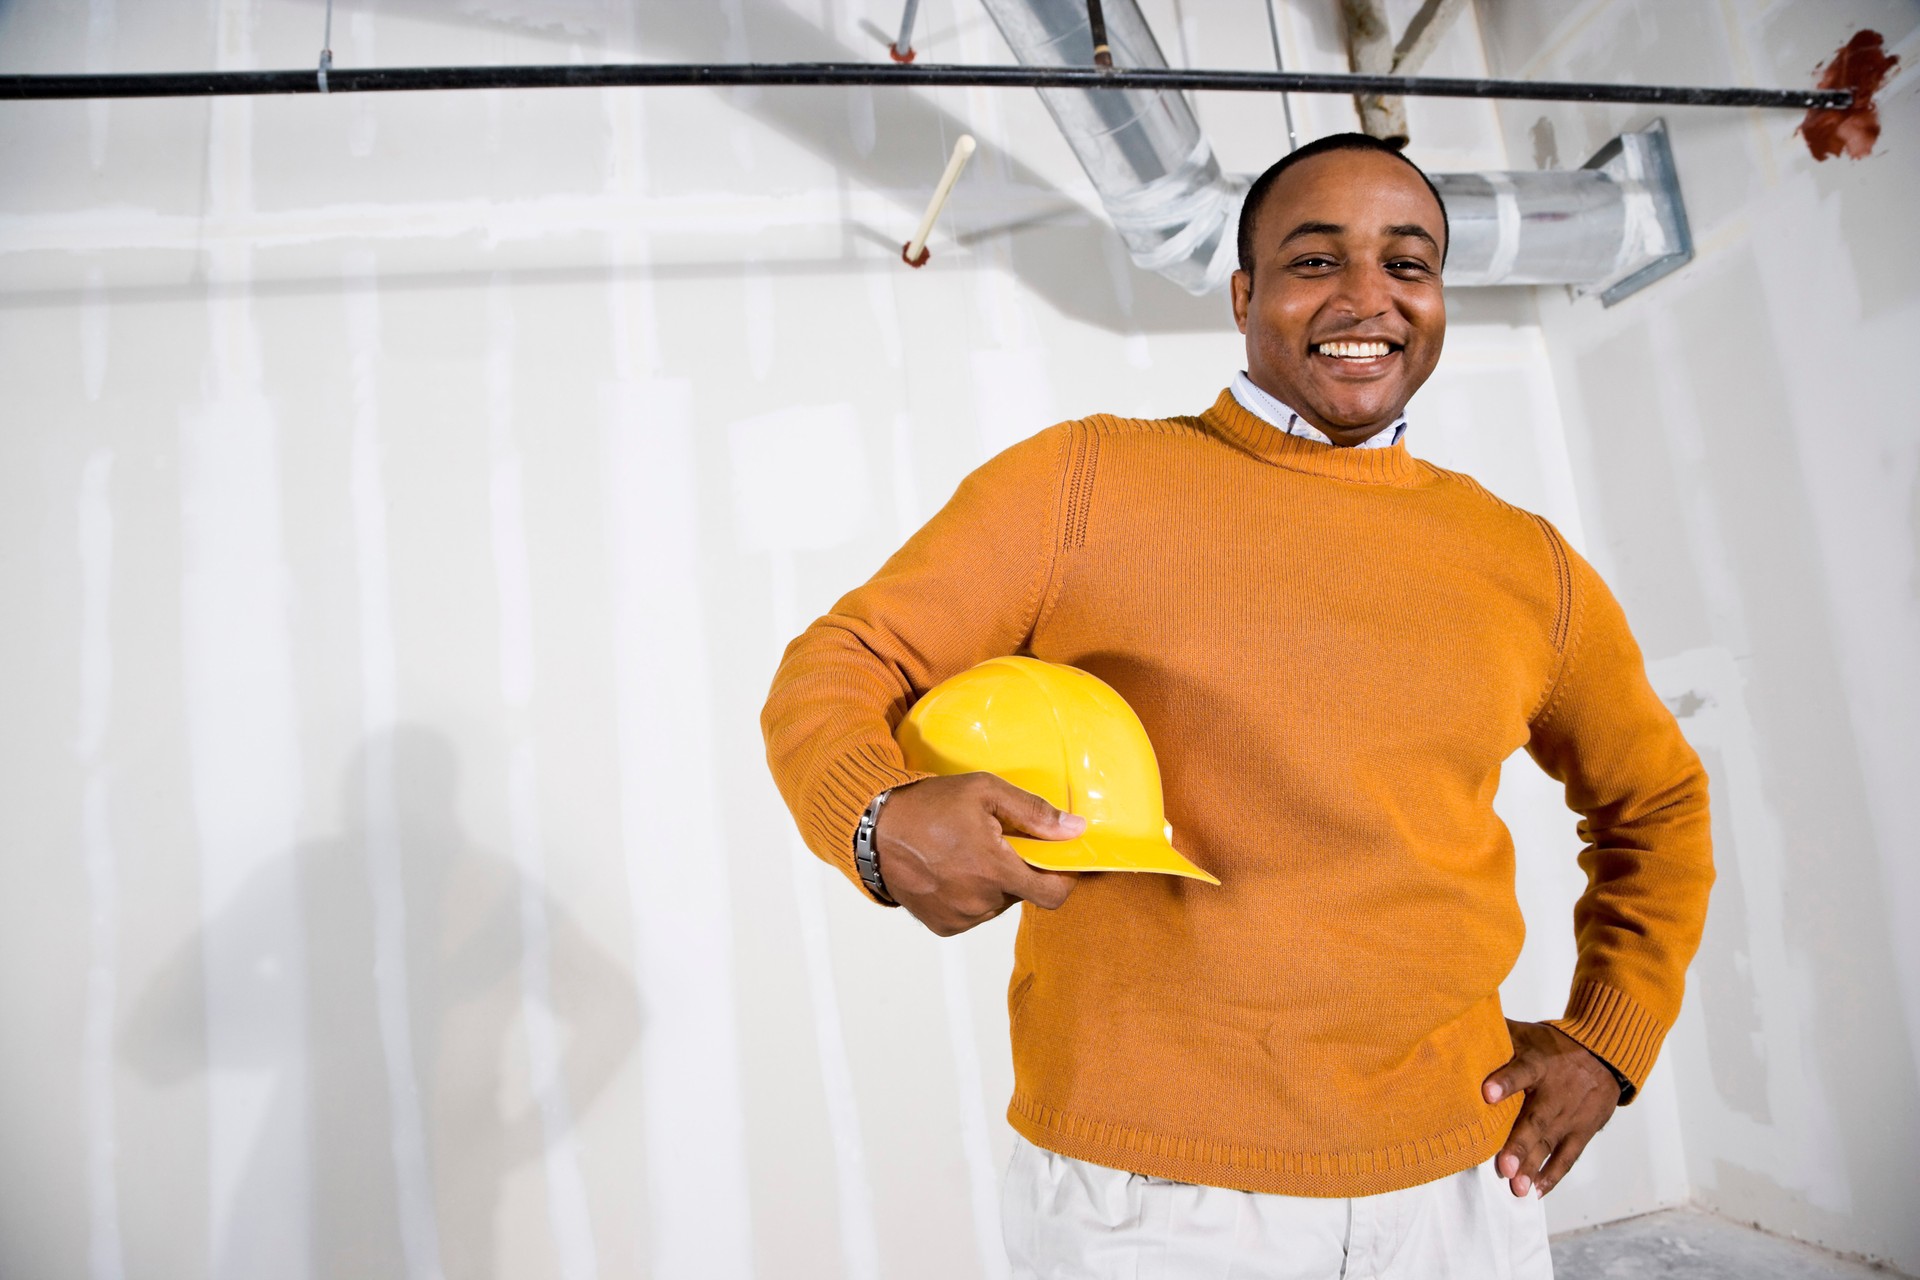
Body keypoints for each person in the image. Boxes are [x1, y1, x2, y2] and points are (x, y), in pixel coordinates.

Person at [760, 133, 1713, 1278]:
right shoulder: (1083, 482)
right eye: (1317, 262)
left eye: (1408, 265)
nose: (1369, 298)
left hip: (1461, 1178)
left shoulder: (1528, 563)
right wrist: (876, 816)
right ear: (1244, 294)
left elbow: (1655, 803)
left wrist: (1609, 1044)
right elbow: (841, 661)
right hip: (1156, 1200)